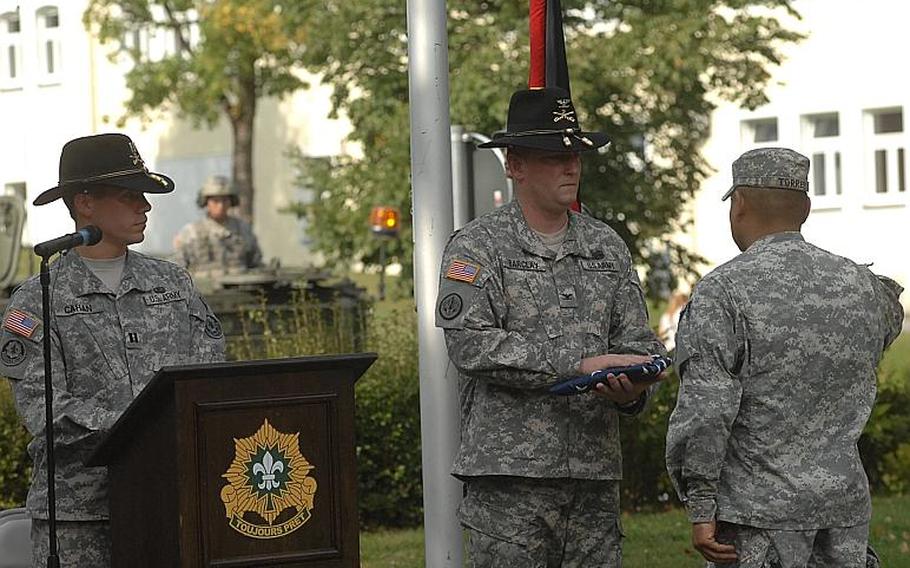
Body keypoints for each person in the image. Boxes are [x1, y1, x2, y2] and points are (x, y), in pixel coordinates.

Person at [435, 87, 666, 567]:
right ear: (514, 164)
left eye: (576, 154)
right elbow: (472, 345)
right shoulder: (479, 247)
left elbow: (635, 342)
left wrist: (632, 389)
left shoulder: (606, 245)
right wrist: (578, 365)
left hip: (593, 475)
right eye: (553, 156)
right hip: (510, 483)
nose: (571, 167)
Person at [665, 148, 904, 568]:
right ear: (806, 208)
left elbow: (706, 410)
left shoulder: (723, 293)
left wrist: (701, 504)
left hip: (758, 519)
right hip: (842, 512)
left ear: (737, 205)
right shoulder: (864, 288)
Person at [0, 133, 226, 566]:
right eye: (129, 195)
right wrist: (142, 428)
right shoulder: (36, 300)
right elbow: (45, 409)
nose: (145, 206)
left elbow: (209, 378)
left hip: (172, 502)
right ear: (84, 202)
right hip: (80, 516)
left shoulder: (174, 285)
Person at [173, 175, 262, 277]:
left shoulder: (243, 229)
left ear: (231, 202)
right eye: (215, 201)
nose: (221, 206)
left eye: (225, 200)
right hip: (203, 290)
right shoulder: (191, 232)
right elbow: (178, 267)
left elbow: (256, 264)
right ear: (206, 202)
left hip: (240, 289)